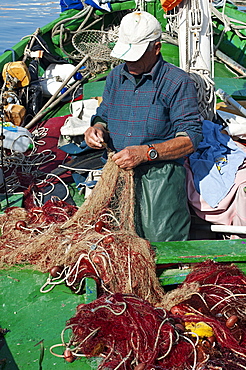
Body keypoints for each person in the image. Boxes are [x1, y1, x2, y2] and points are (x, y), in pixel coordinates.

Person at [84, 11, 203, 242]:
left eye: (136, 56)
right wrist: (96, 129)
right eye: (126, 56)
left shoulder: (177, 82)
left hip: (159, 176)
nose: (130, 62)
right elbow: (104, 115)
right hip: (117, 170)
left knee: (160, 242)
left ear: (156, 48)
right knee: (111, 238)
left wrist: (145, 153)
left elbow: (190, 138)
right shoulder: (115, 76)